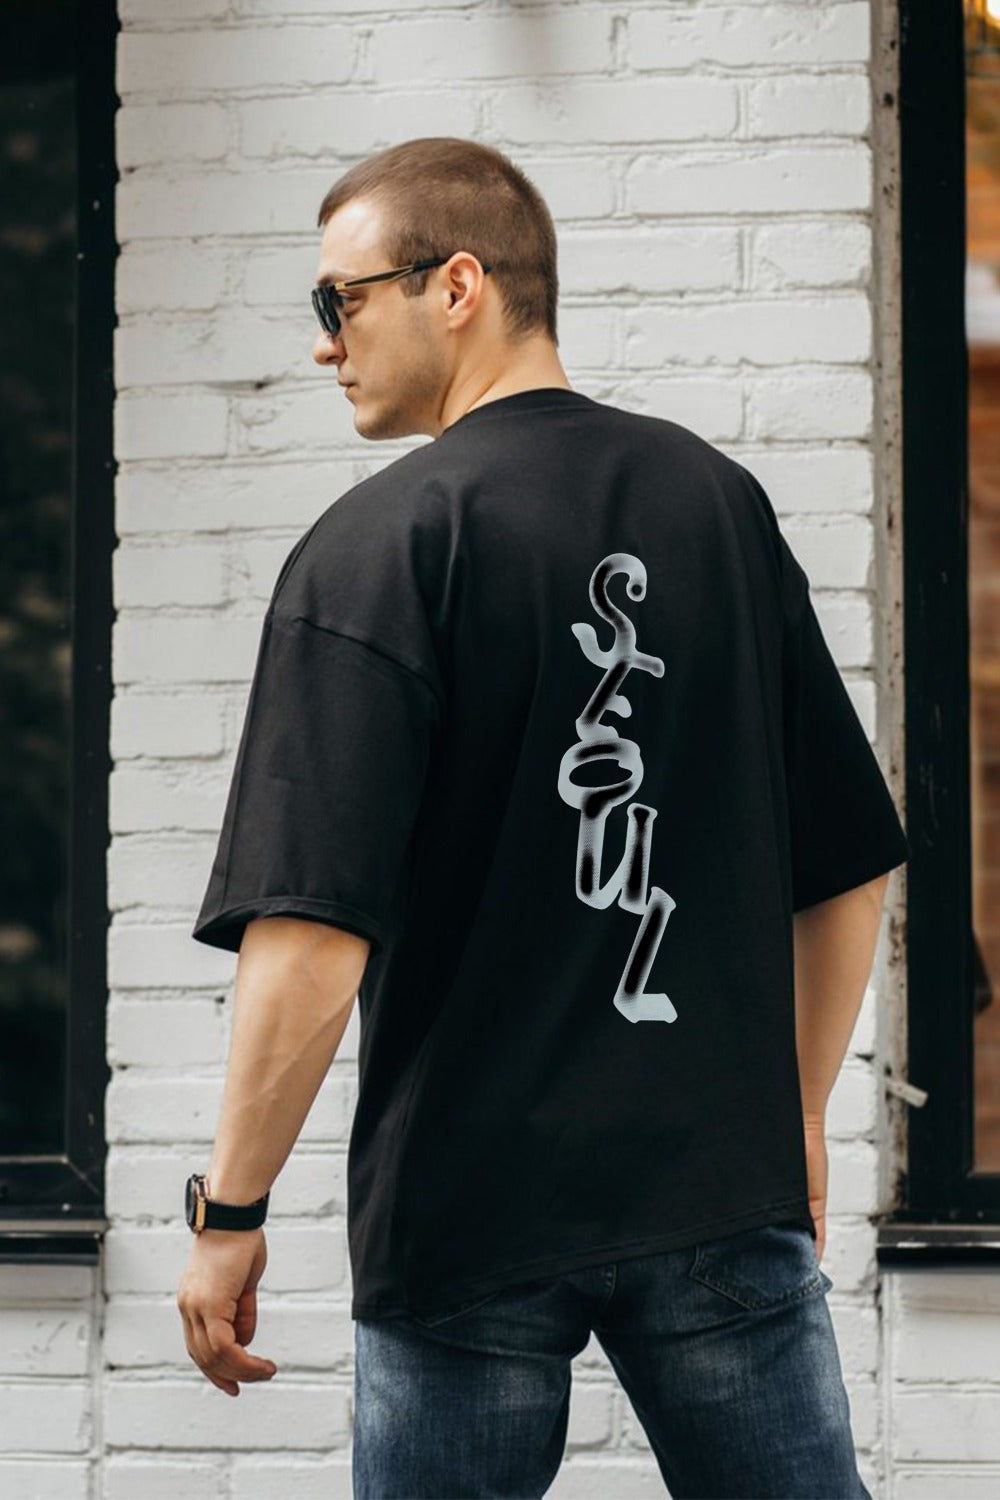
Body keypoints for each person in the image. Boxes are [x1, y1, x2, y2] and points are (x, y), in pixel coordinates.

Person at [176, 136, 909, 1499]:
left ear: (456, 286)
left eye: (340, 299)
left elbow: (311, 935)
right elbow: (847, 863)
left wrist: (231, 1212)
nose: (325, 340)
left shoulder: (380, 550)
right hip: (716, 1186)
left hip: (468, 1211)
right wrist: (795, 1117)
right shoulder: (718, 505)